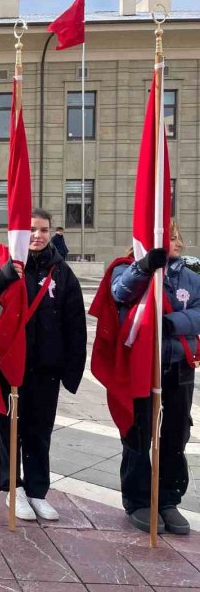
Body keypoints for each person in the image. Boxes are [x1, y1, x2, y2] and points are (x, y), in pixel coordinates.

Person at [0, 208, 86, 521]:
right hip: (8, 365)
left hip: (45, 367)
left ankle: (37, 491)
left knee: (39, 431)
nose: (37, 236)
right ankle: (14, 489)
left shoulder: (61, 270)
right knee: (8, 428)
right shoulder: (1, 259)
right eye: (31, 229)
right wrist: (10, 272)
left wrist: (72, 368)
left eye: (43, 229)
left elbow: (75, 322)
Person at [111, 220, 200, 535]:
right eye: (166, 237)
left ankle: (167, 500)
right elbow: (120, 293)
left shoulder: (192, 277)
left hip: (178, 368)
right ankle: (138, 500)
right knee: (138, 433)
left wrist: (173, 323)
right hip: (142, 368)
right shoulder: (128, 269)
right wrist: (144, 267)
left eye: (176, 237)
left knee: (175, 435)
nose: (172, 242)